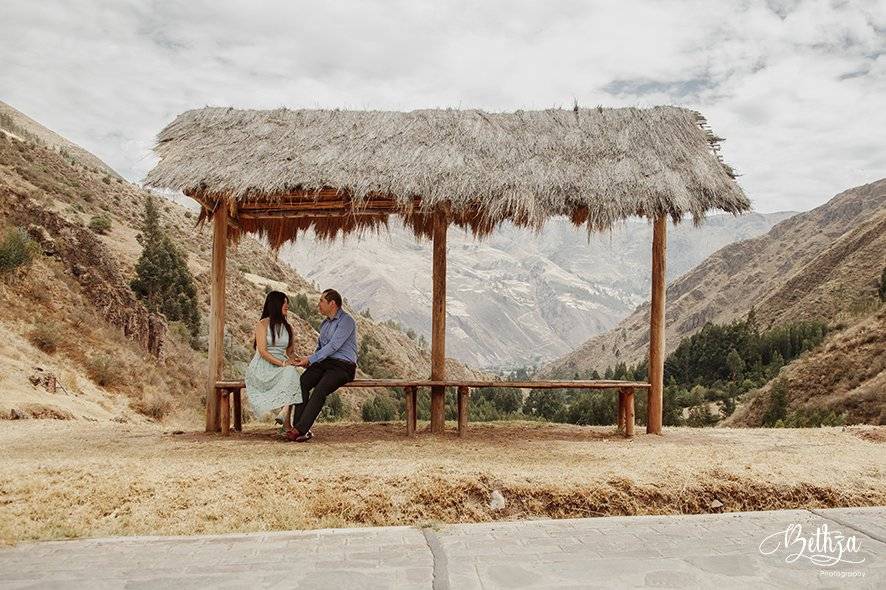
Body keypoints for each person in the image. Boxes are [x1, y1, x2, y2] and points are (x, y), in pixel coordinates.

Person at [287, 288, 358, 442]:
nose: (318, 304)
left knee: (320, 390)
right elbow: (321, 348)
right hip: (325, 363)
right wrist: (310, 363)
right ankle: (299, 428)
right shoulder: (325, 324)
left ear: (332, 303)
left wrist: (311, 359)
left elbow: (333, 346)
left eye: (321, 301)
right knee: (302, 382)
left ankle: (299, 429)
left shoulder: (346, 321)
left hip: (343, 366)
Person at [245, 291, 303, 431]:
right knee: (290, 372)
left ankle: (285, 413)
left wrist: (300, 361)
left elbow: (290, 353)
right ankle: (287, 423)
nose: (287, 305)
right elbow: (263, 351)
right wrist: (283, 363)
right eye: (284, 302)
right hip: (263, 365)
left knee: (297, 372)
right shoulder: (262, 324)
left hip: (282, 364)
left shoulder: (288, 328)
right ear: (276, 304)